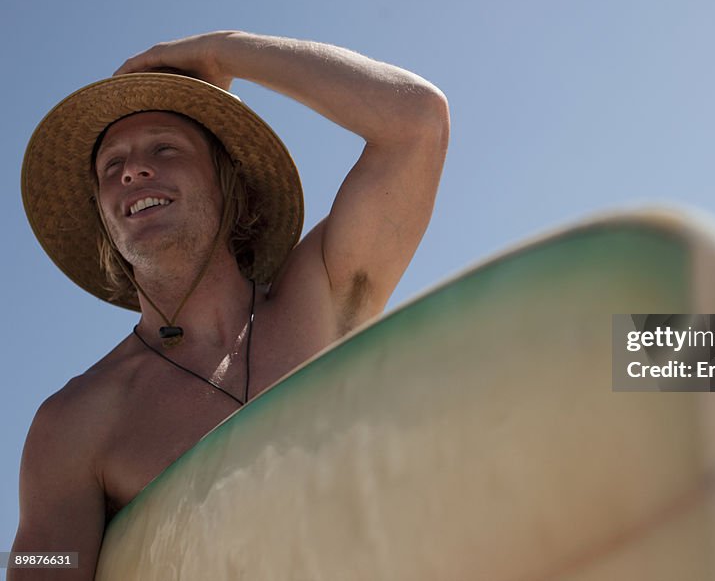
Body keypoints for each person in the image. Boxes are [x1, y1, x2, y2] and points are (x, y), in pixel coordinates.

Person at [11, 31, 449, 579]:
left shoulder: (320, 296)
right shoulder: (75, 422)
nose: (132, 170)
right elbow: (40, 563)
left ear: (227, 182)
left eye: (164, 149)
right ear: (104, 217)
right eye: (111, 166)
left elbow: (417, 119)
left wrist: (222, 53)